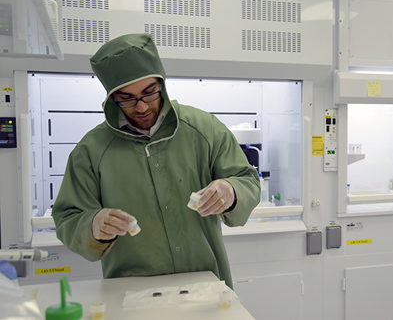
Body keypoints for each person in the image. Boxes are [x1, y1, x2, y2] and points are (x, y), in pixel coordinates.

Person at [52, 33, 260, 288]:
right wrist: (92, 226)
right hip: (131, 292)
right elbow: (67, 218)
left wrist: (232, 191)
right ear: (111, 98)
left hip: (205, 284)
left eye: (149, 92)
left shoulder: (204, 129)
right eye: (126, 98)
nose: (141, 107)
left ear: (162, 83)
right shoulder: (91, 151)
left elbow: (247, 180)